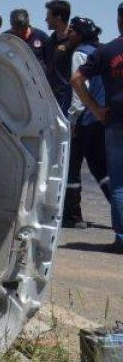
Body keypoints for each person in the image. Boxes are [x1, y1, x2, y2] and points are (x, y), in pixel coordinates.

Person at [72, 2, 123, 253]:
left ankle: (122, 240)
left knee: (119, 183)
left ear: (119, 21)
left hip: (114, 121)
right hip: (112, 122)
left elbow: (76, 79)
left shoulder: (107, 51)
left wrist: (94, 109)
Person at [63, 16, 110, 229]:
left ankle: (73, 216)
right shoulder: (102, 51)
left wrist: (73, 119)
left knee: (73, 166)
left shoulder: (80, 53)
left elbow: (78, 89)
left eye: (71, 31)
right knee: (101, 167)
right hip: (103, 117)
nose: (68, 34)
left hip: (86, 118)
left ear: (79, 34)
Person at [42, 0, 74, 114]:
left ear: (58, 17)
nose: (46, 20)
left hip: (70, 102)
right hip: (52, 101)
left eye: (48, 16)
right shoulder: (50, 41)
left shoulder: (76, 40)